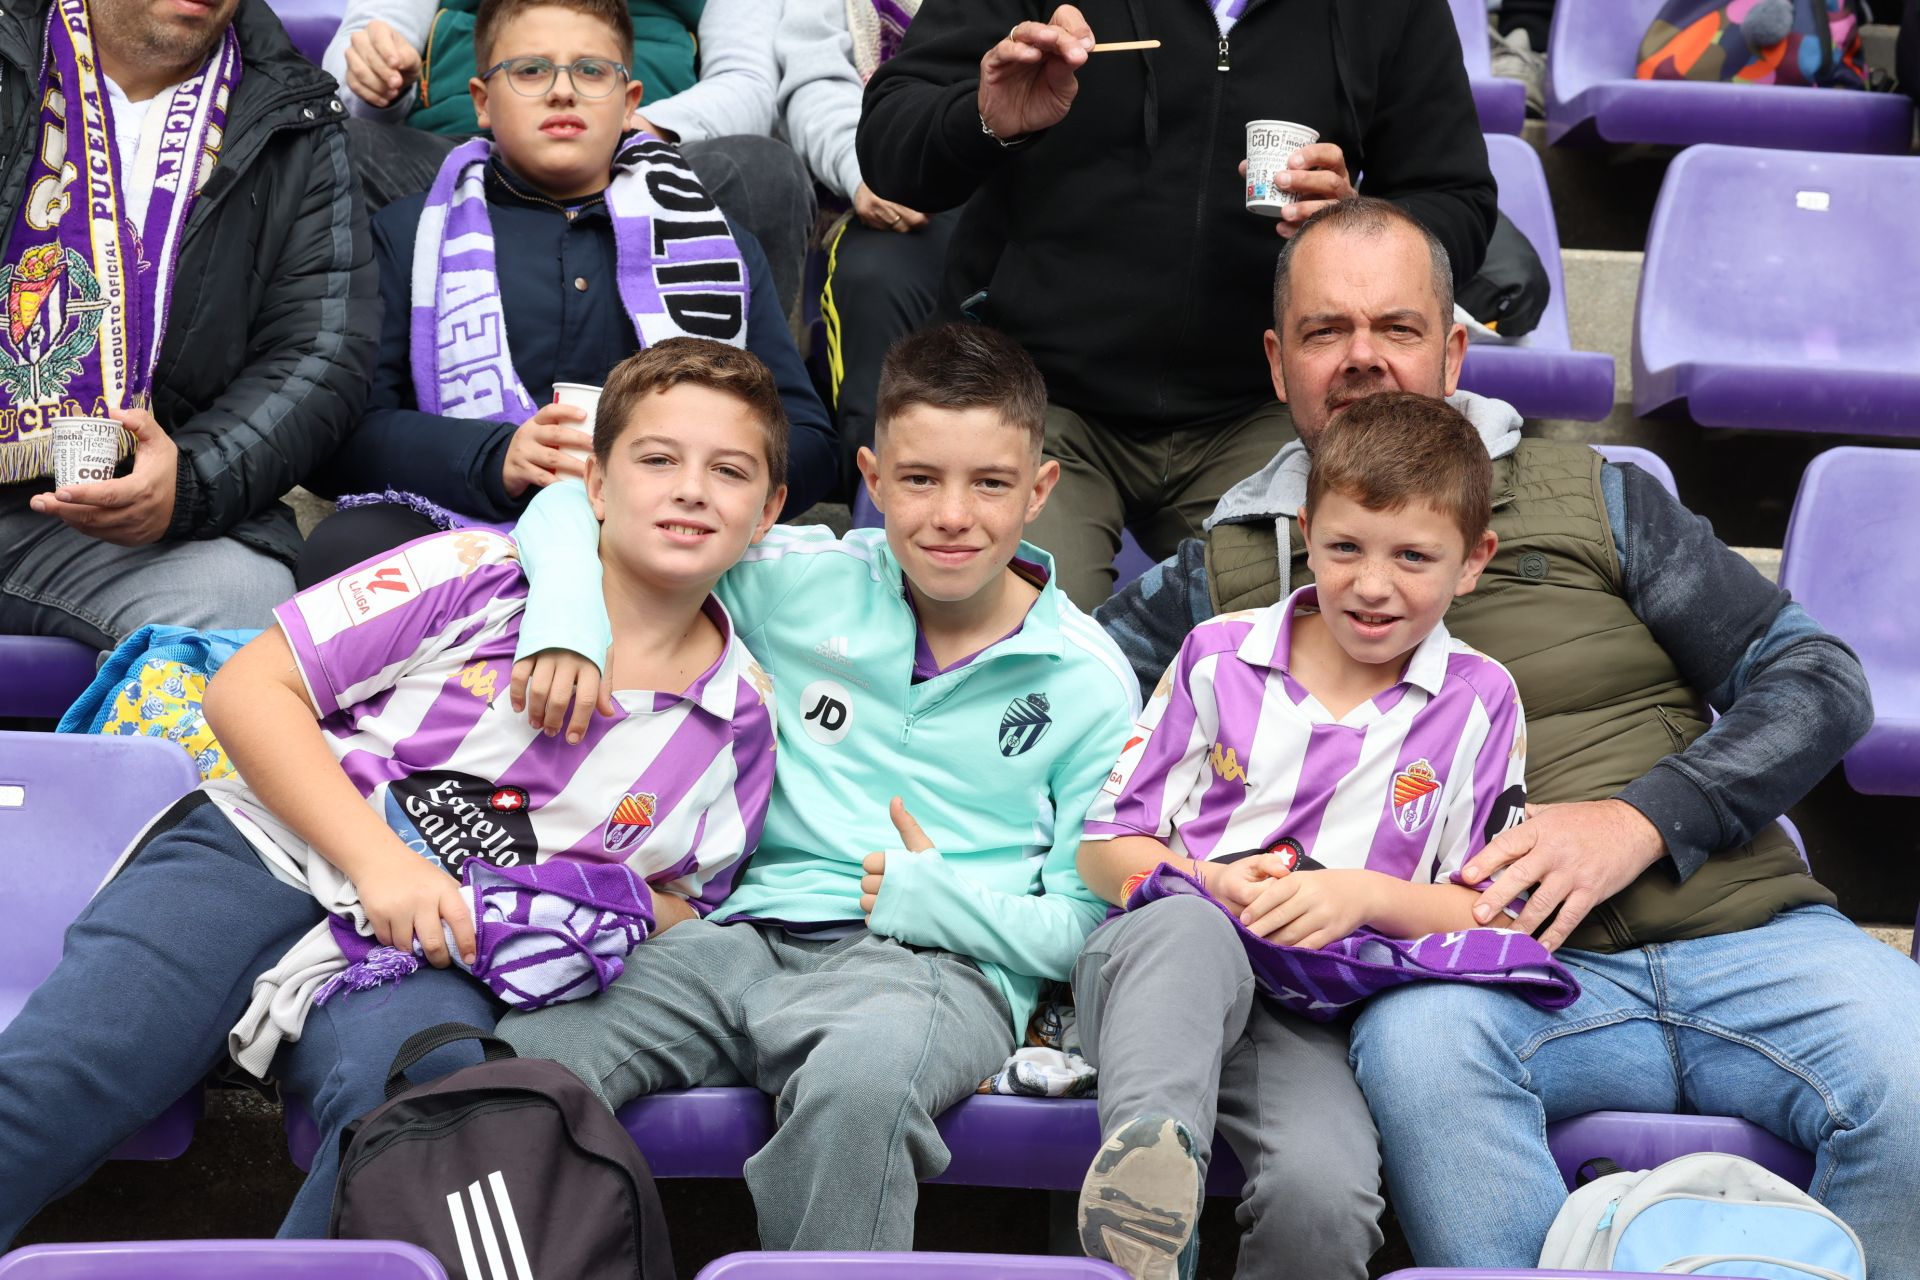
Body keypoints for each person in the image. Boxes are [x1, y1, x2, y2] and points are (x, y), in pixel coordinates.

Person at [1097, 196, 1920, 1267]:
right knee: (1421, 1062)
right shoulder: (1233, 563)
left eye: (1395, 328)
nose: (1361, 358)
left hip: (1745, 930)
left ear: (1452, 347)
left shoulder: (1592, 494)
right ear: (1276, 359)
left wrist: (1639, 817)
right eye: (1324, 331)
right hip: (1495, 977)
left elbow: (1817, 681)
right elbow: (1062, 695)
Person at [0, 337, 785, 1244]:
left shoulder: (740, 724)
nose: (690, 489)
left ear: (767, 511)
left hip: (432, 954)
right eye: (656, 459)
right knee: (74, 1068)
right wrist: (382, 863)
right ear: (595, 487)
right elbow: (248, 690)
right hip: (273, 853)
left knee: (432, 1121)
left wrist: (567, 905)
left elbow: (683, 906)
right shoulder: (467, 572)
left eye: (728, 471)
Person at [496, 322, 1140, 1250]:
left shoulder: (1088, 678)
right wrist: (563, 614)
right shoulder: (800, 579)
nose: (952, 514)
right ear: (872, 482)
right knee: (530, 1061)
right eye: (919, 480)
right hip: (739, 937)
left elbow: (1087, 927)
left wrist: (947, 906)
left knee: (861, 1087)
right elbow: (578, 507)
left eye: (990, 483)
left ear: (1040, 490)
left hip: (934, 972)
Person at [1072, 392, 1522, 1280]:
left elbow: (1482, 907)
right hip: (1162, 975)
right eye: (1346, 546)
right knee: (1192, 928)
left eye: (1414, 557)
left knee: (1327, 1194)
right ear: (1305, 530)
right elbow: (1101, 848)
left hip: (1310, 1016)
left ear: (1474, 562)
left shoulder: (1480, 700)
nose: (1372, 582)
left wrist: (1364, 897)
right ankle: (1147, 1176)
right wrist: (1205, 882)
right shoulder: (1216, 654)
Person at [856, 0, 1496, 606]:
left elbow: (1458, 200)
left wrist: (1358, 228)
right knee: (1019, 642)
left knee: (1310, 630)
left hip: (1257, 409)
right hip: (1035, 395)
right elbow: (890, 148)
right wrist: (986, 118)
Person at [295, 0, 836, 585]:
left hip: (675, 529)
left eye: (592, 71)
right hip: (473, 520)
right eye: (530, 71)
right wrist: (494, 456)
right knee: (345, 550)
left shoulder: (713, 247)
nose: (562, 92)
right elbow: (341, 436)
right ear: (481, 101)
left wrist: (692, 466)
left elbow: (806, 440)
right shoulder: (410, 237)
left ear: (631, 103)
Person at [0, 0, 377, 649]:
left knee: (242, 618)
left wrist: (190, 484)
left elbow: (321, 352)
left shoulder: (297, 118)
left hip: (131, 532)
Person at [323, 0, 814, 311]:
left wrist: (616, 127)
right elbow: (360, 51)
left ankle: (730, 407)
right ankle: (373, 406)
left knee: (764, 173)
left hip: (646, 161)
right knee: (335, 146)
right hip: (454, 160)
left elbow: (746, 82)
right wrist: (377, 80)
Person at [776, 0, 957, 487]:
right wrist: (869, 169)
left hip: (1038, 192)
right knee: (873, 279)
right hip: (894, 188)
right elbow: (816, 84)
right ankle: (876, 509)